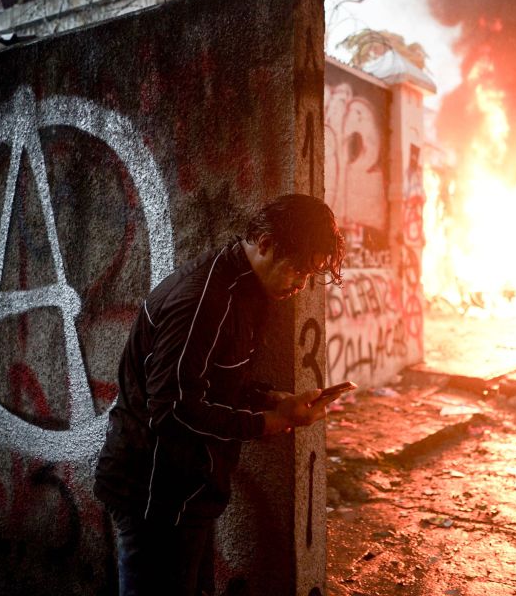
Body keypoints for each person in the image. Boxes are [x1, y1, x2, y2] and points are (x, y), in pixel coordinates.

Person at [94, 194, 345, 596]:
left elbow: (217, 380)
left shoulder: (248, 292)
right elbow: (173, 410)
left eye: (309, 276)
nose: (300, 285)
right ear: (265, 243)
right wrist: (268, 423)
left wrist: (272, 400)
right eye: (298, 269)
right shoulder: (203, 300)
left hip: (189, 493)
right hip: (153, 498)